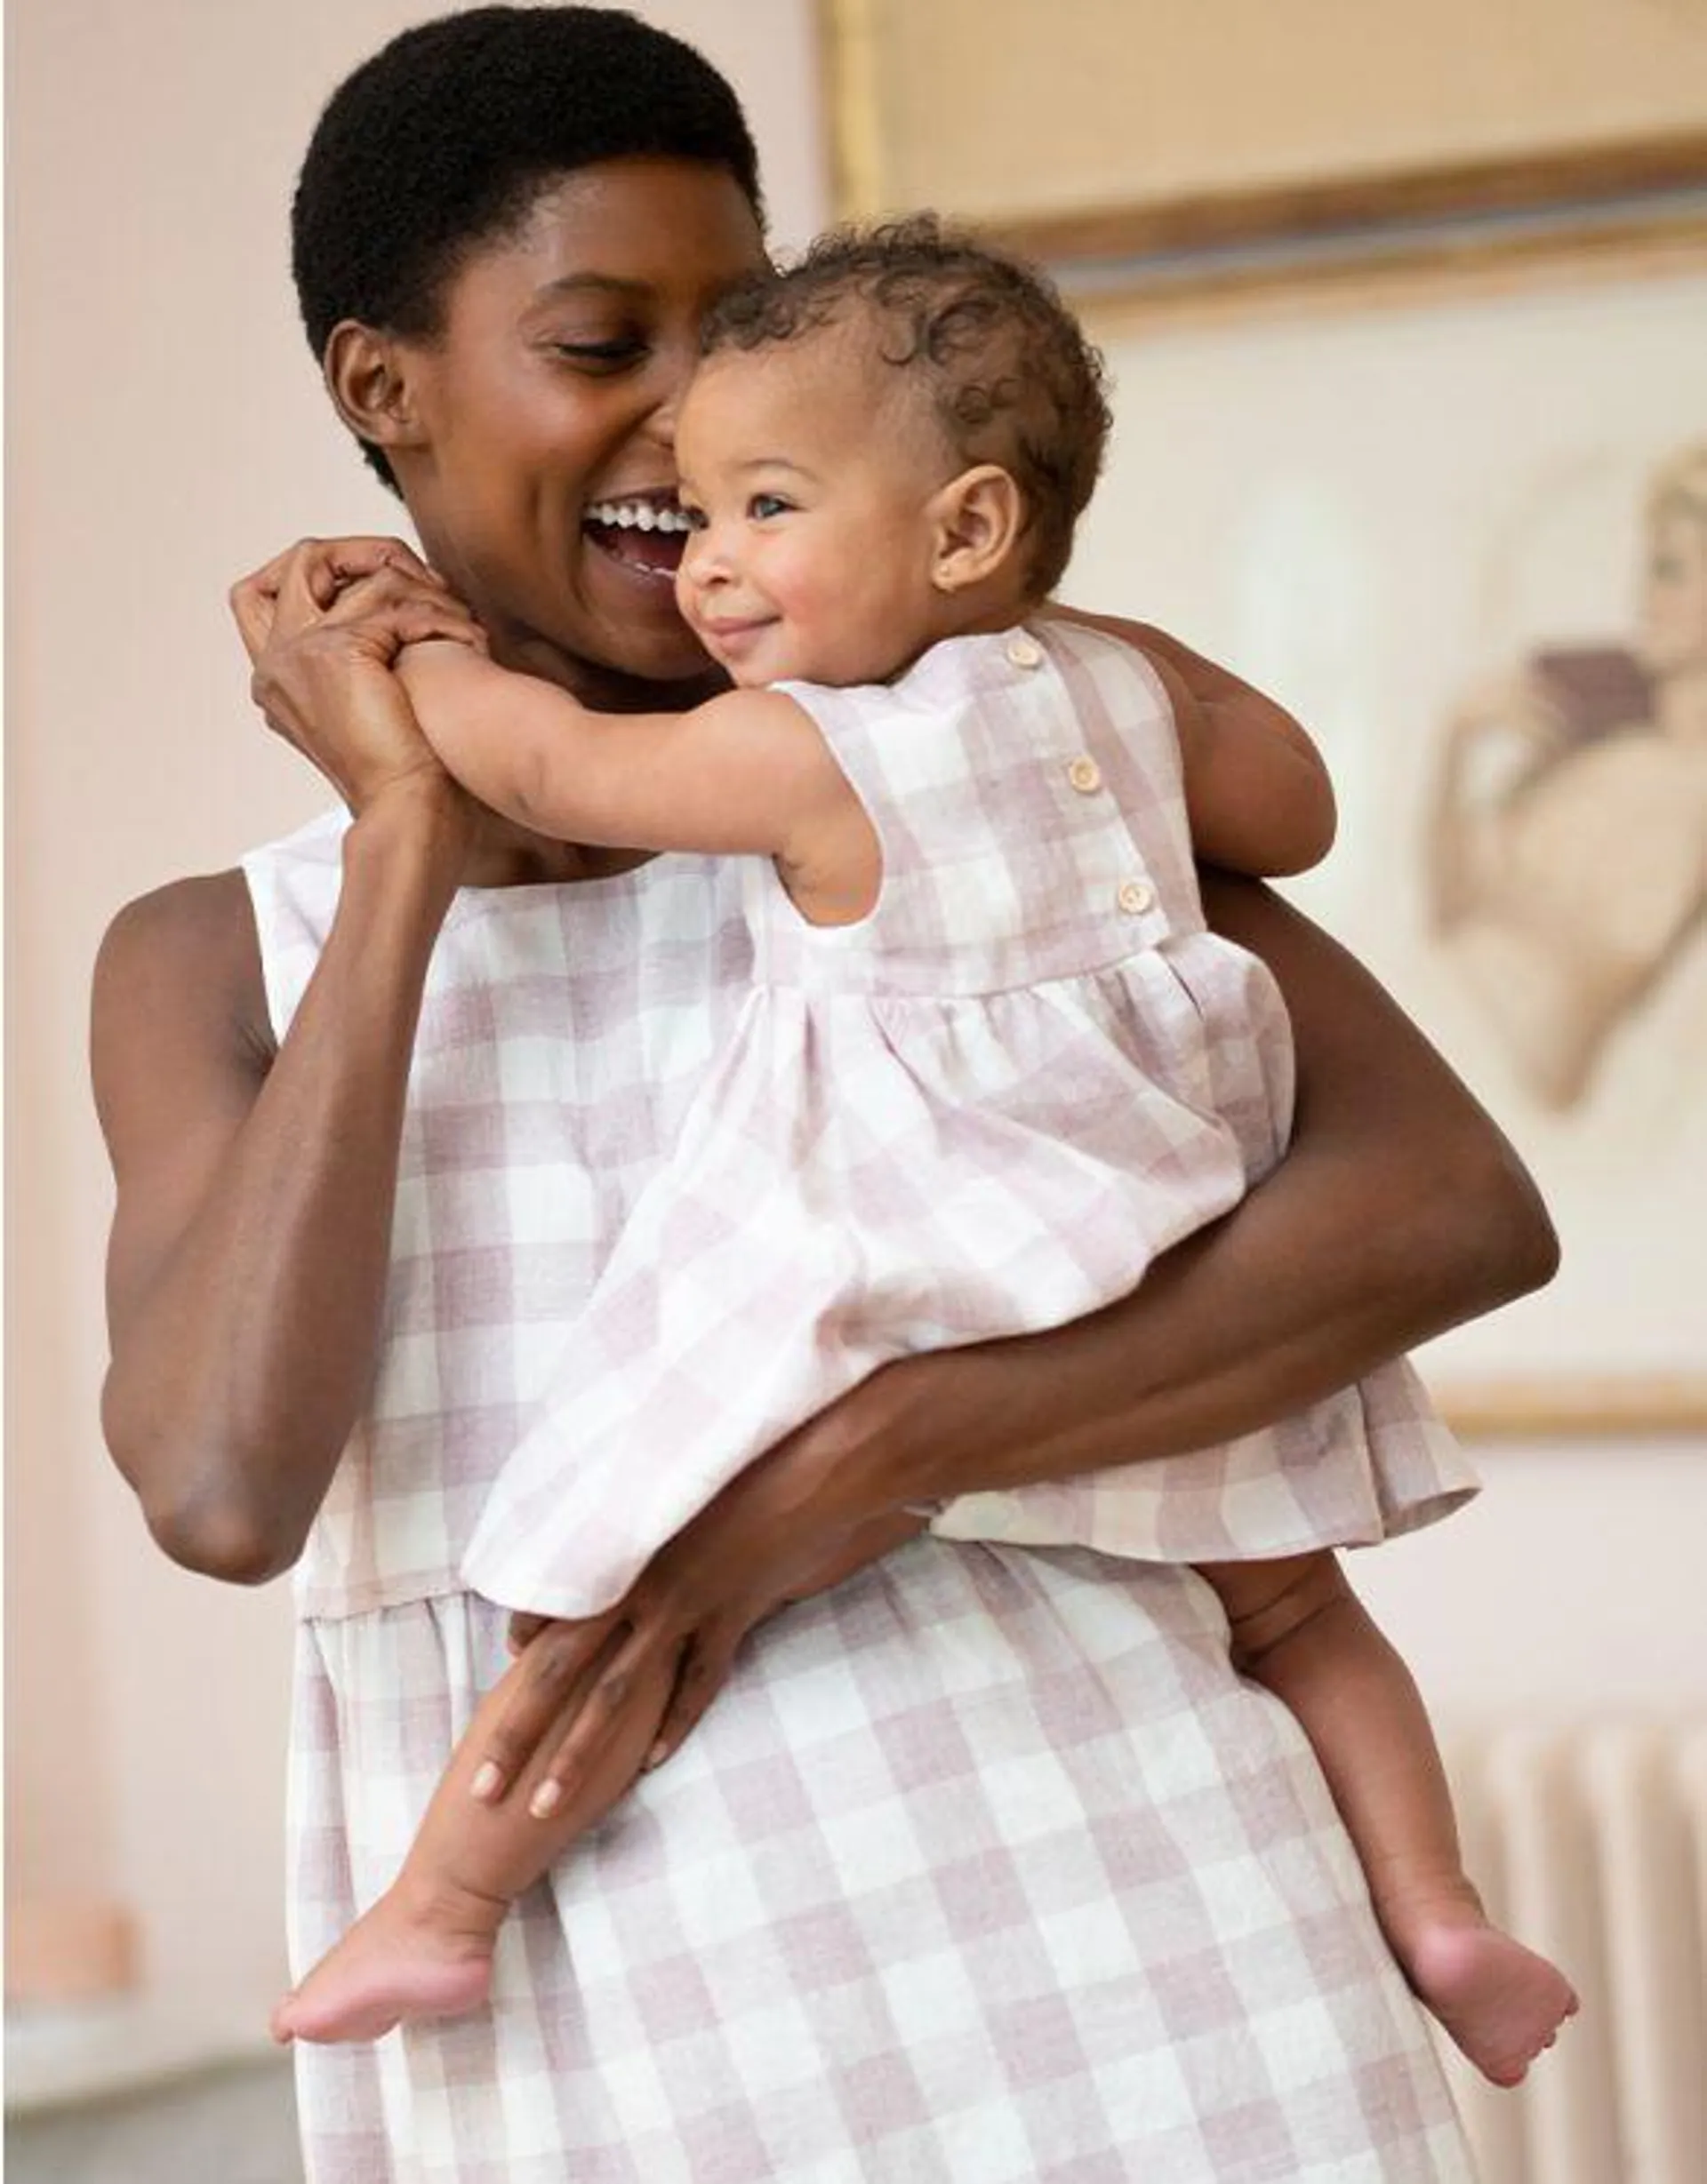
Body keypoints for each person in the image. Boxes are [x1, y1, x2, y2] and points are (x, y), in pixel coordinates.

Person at [92, 10, 1563, 2178]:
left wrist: (850, 1467)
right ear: (379, 390)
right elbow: (223, 1485)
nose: (690, 421)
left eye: (739, 335)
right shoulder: (220, 956)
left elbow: (1453, 1212)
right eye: (608, 340)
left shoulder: (961, 771)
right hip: (598, 2027)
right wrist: (406, 826)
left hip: (1150, 1952)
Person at [1429, 441, 1707, 1108]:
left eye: (1670, 571)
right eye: (1649, 568)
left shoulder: (1684, 791)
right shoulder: (1597, 752)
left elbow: (1570, 1018)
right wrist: (1455, 749)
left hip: (1477, 1085)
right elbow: (1448, 908)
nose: (1645, 598)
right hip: (1425, 1050)